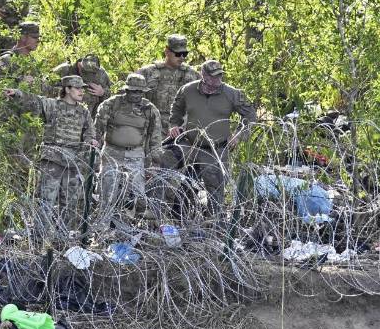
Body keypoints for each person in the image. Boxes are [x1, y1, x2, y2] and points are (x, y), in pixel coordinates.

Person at [3, 75, 99, 237]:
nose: (81, 91)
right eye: (77, 88)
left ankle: (63, 236)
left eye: (82, 88)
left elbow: (89, 132)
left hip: (73, 161)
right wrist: (17, 93)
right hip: (52, 160)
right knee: (46, 199)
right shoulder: (52, 105)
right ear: (67, 89)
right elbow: (34, 100)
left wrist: (91, 141)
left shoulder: (83, 112)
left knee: (70, 202)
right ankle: (41, 235)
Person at [168, 59, 257, 212]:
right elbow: (176, 110)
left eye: (220, 75)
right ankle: (181, 220)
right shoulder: (188, 90)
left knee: (215, 192)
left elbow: (250, 116)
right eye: (214, 76)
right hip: (191, 147)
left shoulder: (232, 93)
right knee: (185, 186)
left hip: (216, 151)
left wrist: (238, 135)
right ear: (204, 76)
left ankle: (214, 224)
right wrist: (174, 125)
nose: (218, 79)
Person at [94, 73, 162, 215]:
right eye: (133, 91)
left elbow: (155, 137)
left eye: (140, 91)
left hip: (136, 154)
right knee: (108, 191)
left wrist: (155, 162)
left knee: (137, 193)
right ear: (126, 90)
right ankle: (103, 227)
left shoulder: (150, 109)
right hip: (112, 152)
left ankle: (129, 228)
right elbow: (97, 130)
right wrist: (94, 154)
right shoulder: (111, 104)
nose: (136, 94)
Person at [135, 34, 200, 165]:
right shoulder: (148, 72)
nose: (182, 58)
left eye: (184, 54)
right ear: (167, 51)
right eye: (178, 54)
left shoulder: (193, 75)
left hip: (180, 130)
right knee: (149, 167)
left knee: (176, 169)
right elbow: (129, 94)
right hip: (151, 128)